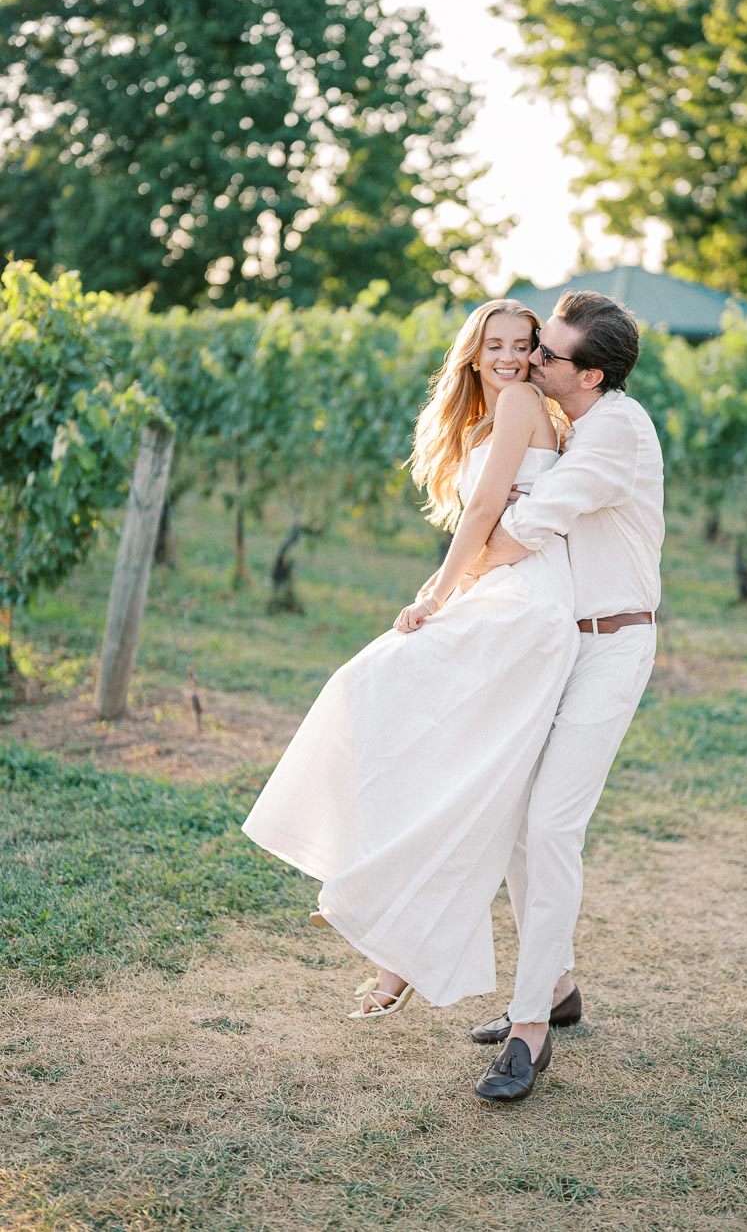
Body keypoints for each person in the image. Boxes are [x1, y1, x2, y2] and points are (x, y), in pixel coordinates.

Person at [241, 299, 579, 1020]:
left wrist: (435, 597)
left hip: (525, 603)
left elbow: (486, 511)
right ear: (473, 349)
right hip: (498, 590)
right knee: (454, 772)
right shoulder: (485, 418)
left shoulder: (522, 402)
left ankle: (372, 903)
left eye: (524, 345)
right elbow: (480, 519)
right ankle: (390, 928)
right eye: (497, 344)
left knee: (373, 691)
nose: (512, 357)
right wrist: (441, 588)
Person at [465, 290, 665, 1102]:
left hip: (612, 646)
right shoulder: (575, 422)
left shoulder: (615, 430)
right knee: (518, 812)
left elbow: (525, 529)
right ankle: (556, 984)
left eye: (546, 353)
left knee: (551, 824)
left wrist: (447, 585)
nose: (529, 360)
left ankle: (529, 1030)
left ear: (588, 373)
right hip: (555, 642)